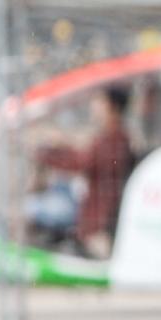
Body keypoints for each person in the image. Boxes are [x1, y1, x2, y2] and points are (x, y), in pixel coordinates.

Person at [33, 85, 137, 258]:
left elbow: (81, 162)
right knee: (56, 189)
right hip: (89, 208)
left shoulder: (113, 140)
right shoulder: (111, 137)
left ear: (112, 106)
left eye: (99, 101)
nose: (93, 105)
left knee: (31, 207)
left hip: (95, 218)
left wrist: (48, 154)